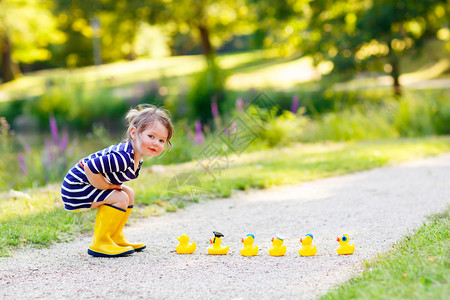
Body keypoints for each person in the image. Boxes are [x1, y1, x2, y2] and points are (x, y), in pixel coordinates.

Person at [61, 104, 174, 257]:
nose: (156, 143)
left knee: (129, 194)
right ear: (134, 133)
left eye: (161, 140)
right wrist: (106, 186)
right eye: (151, 136)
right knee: (120, 197)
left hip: (86, 184)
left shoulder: (135, 157)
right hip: (76, 187)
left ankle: (115, 237)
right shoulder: (122, 157)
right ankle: (100, 243)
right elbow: (89, 167)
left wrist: (109, 187)